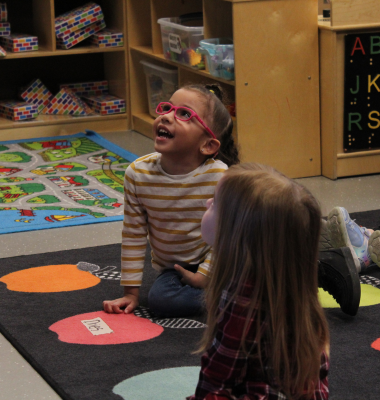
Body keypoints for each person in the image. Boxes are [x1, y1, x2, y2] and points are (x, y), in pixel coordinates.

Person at [188, 163, 330, 400]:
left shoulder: (243, 297)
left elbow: (218, 377)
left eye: (215, 202)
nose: (207, 204)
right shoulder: (291, 282)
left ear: (236, 232)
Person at [103, 83, 239, 318]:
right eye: (167, 108)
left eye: (184, 114)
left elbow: (229, 235)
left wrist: (205, 275)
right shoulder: (138, 174)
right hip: (176, 269)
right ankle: (237, 298)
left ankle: (237, 291)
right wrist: (131, 293)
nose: (166, 117)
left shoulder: (220, 177)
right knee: (161, 301)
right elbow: (134, 233)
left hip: (223, 259)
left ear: (208, 145)